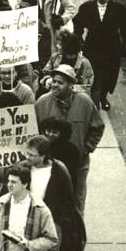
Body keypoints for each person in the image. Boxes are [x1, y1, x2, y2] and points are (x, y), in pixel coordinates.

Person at [24, 135, 86, 251]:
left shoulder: (59, 170)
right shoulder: (24, 168)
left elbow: (68, 200)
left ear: (43, 156)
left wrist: (58, 224)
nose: (27, 157)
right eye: (26, 153)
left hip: (51, 223)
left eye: (31, 155)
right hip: (28, 223)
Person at [35, 64, 104, 215]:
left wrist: (86, 149)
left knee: (76, 201)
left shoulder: (85, 102)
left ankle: (77, 237)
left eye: (60, 83)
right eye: (53, 81)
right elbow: (35, 132)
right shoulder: (41, 103)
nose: (55, 85)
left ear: (71, 85)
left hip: (78, 164)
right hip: (50, 164)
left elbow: (97, 127)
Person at [72, 0, 126, 111]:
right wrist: (79, 41)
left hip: (111, 49)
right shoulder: (86, 8)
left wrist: (125, 47)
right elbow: (77, 24)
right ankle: (92, 101)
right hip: (92, 48)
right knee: (94, 75)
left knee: (109, 75)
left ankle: (103, 97)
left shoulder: (118, 9)